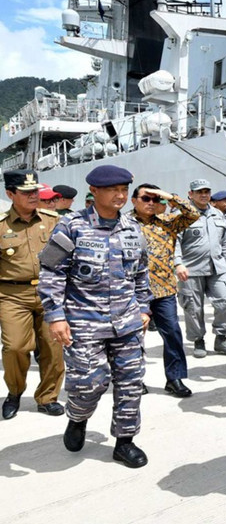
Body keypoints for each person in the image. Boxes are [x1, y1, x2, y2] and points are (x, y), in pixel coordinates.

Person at [38, 164, 152, 468]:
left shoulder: (132, 227)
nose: (120, 195)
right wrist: (55, 315)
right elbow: (51, 272)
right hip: (84, 323)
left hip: (126, 323)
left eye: (124, 190)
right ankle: (77, 418)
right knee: (89, 383)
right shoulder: (72, 226)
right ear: (95, 191)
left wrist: (143, 307)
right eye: (113, 190)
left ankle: (124, 442)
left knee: (131, 382)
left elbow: (141, 273)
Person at [0, 170, 64, 420]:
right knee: (15, 347)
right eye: (26, 192)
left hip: (50, 293)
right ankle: (15, 392)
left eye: (35, 191)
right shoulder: (2, 225)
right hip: (12, 294)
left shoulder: (53, 220)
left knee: (53, 347)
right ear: (10, 194)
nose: (33, 196)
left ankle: (47, 397)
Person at [131, 183, 200, 398]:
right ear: (134, 200)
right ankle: (134, 379)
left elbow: (193, 214)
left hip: (164, 290)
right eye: (146, 198)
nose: (152, 203)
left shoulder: (168, 222)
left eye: (155, 199)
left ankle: (175, 378)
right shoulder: (122, 223)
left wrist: (169, 196)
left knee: (172, 334)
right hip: (132, 291)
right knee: (133, 337)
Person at [175, 179, 226, 358]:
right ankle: (198, 340)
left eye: (206, 191)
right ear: (191, 194)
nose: (203, 195)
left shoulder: (218, 214)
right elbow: (175, 242)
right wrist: (178, 263)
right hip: (191, 269)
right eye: (199, 191)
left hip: (217, 268)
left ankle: (221, 338)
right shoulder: (183, 215)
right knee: (193, 307)